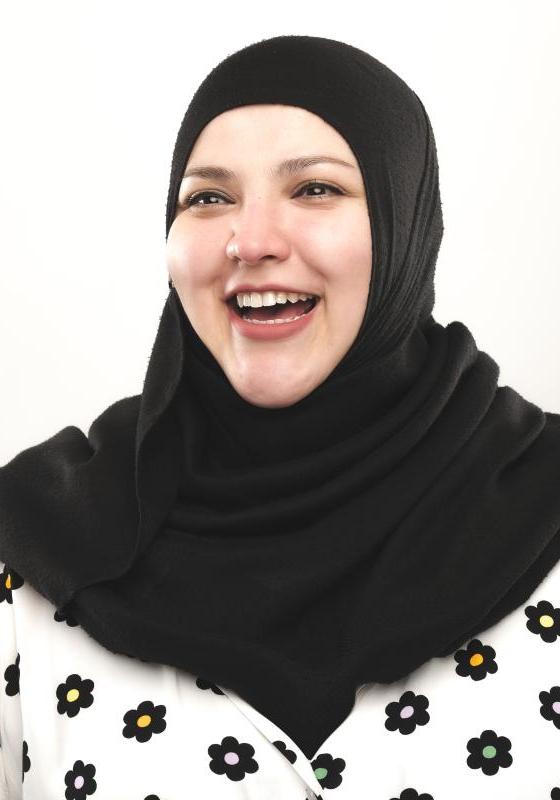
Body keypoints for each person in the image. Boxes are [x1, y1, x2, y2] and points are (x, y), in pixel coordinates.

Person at [1, 34, 560, 800]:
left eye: (315, 190)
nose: (250, 241)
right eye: (208, 197)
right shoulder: (33, 556)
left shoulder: (548, 519)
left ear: (407, 224)